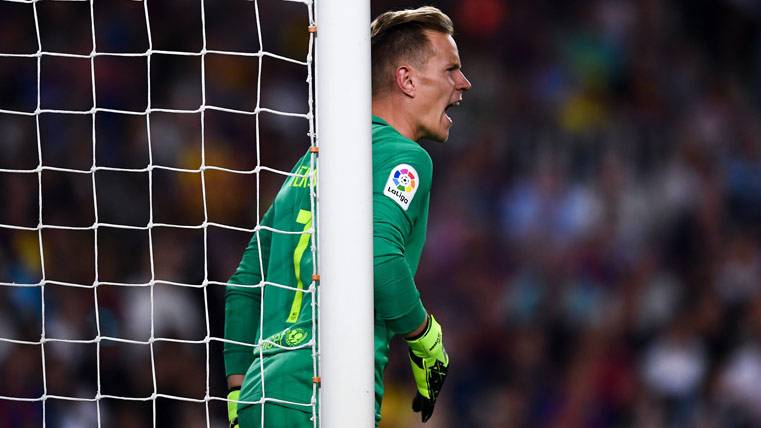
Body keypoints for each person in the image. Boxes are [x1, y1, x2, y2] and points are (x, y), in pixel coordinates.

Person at [224, 6, 471, 427]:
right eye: (451, 69)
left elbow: (245, 283)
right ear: (407, 79)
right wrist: (426, 338)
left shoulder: (310, 163)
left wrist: (236, 394)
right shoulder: (406, 157)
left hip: (259, 397)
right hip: (321, 396)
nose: (463, 83)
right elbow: (379, 254)